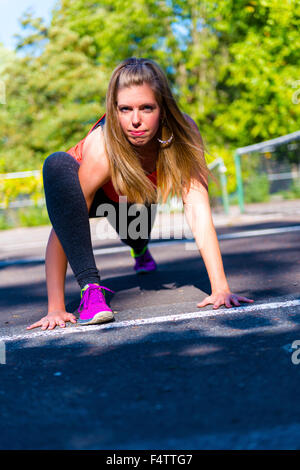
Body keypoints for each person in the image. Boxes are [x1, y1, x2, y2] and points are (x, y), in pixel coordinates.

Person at [27, 57, 254, 331]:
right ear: (114, 109)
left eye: (147, 108)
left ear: (164, 108)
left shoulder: (184, 133)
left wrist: (221, 288)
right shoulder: (102, 146)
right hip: (85, 195)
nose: (136, 120)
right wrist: (56, 308)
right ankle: (92, 292)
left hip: (132, 195)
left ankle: (140, 250)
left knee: (135, 234)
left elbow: (198, 211)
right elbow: (63, 229)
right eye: (125, 109)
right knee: (56, 163)